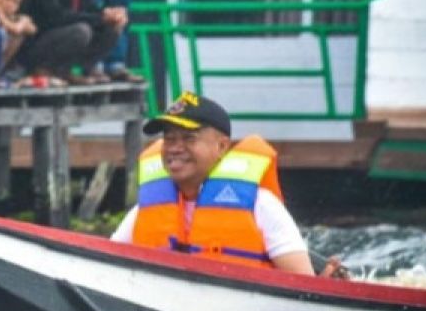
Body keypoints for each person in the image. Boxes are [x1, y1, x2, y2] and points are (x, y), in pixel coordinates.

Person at [111, 91, 321, 276]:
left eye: (189, 139)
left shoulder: (260, 205)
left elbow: (305, 286)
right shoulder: (146, 210)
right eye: (169, 139)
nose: (175, 148)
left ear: (221, 146)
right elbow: (108, 263)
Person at [0, 0, 35, 77]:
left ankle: (0, 71)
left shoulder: (17, 18)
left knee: (19, 34)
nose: (11, 4)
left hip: (3, 60)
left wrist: (4, 19)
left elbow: (31, 29)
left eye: (16, 2)